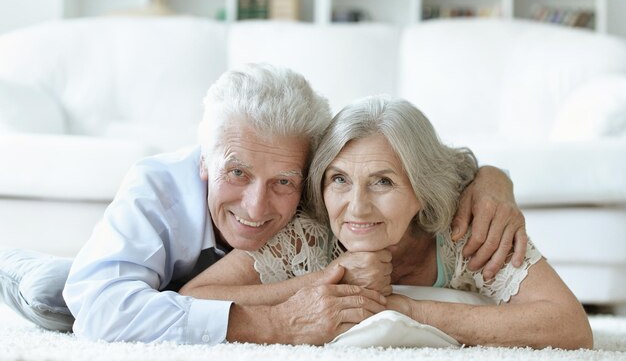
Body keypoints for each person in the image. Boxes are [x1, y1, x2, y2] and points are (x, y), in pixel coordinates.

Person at [1, 64, 526, 345]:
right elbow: (105, 309)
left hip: (223, 287)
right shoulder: (155, 189)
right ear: (204, 160)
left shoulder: (325, 192)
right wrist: (271, 325)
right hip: (140, 281)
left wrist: (491, 178)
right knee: (59, 295)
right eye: (236, 172)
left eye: (283, 181)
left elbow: (398, 153)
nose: (257, 206)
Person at [181, 95, 592, 349]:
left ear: (422, 190)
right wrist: (331, 276)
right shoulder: (307, 230)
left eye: (383, 182)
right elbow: (195, 297)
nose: (356, 208)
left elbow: (570, 326)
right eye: (339, 179)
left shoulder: (465, 226)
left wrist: (408, 311)